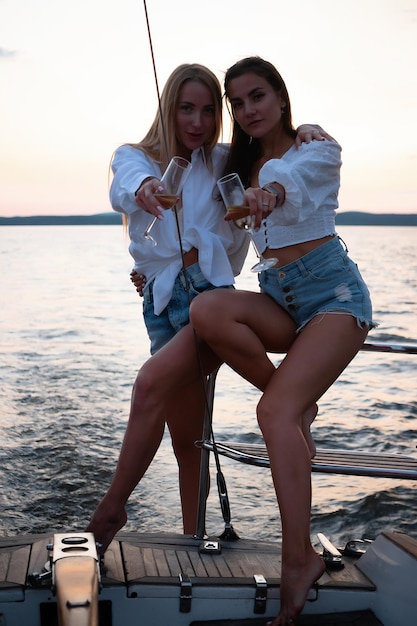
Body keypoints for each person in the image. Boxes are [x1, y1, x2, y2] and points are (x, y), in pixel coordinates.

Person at [86, 61, 334, 551]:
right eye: (186, 109)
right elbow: (126, 183)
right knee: (187, 440)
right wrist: (146, 190)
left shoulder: (225, 162)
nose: (197, 122)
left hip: (208, 297)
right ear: (169, 109)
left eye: (206, 110)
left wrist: (303, 128)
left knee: (149, 384)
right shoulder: (136, 157)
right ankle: (192, 541)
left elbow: (273, 150)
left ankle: (110, 510)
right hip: (161, 304)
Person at [189, 56, 376, 626]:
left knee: (271, 412)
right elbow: (197, 190)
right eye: (237, 103)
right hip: (280, 300)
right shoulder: (240, 164)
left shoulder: (318, 150)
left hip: (334, 300)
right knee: (207, 309)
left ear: (280, 97)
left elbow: (289, 180)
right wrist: (157, 263)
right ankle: (298, 406)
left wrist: (268, 188)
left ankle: (297, 559)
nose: (247, 111)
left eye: (257, 97)